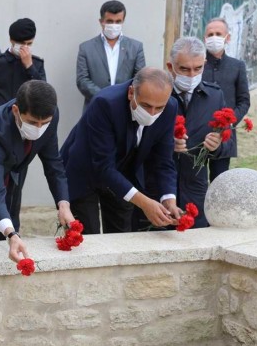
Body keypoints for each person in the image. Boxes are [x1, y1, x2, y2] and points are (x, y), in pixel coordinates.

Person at [0, 81, 71, 261]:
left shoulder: (51, 115)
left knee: (10, 220)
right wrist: (10, 235)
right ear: (16, 110)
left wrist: (63, 205)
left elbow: (53, 164)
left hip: (12, 166)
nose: (39, 129)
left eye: (44, 123)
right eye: (33, 122)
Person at [61, 67, 180, 235]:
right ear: (131, 93)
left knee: (122, 235)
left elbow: (164, 160)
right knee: (87, 237)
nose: (152, 113)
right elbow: (103, 166)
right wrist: (145, 203)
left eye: (159, 108)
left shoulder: (170, 108)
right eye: (146, 105)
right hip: (84, 172)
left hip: (122, 174)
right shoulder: (105, 103)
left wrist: (169, 200)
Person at [167, 37, 226, 228]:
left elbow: (229, 143)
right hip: (160, 190)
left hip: (195, 190)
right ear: (170, 66)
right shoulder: (158, 93)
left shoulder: (214, 96)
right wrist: (169, 144)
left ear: (204, 64)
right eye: (184, 69)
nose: (191, 74)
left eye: (197, 68)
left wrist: (217, 146)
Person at [202, 17, 251, 182]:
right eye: (210, 34)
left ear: (227, 37)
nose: (214, 37)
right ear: (205, 38)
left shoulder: (237, 66)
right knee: (196, 182)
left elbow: (244, 100)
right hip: (198, 134)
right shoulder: (197, 64)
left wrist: (229, 122)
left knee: (219, 182)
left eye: (218, 33)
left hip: (224, 136)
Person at [76, 0, 146, 111]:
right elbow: (82, 80)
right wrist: (104, 97)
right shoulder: (86, 48)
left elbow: (140, 78)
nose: (114, 25)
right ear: (101, 21)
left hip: (125, 109)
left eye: (118, 21)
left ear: (123, 21)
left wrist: (121, 98)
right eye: (110, 21)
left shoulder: (136, 47)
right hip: (96, 108)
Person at [0, 18, 46, 115]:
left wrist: (30, 67)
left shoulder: (37, 64)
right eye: (22, 43)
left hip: (24, 119)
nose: (25, 47)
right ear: (11, 40)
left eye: (29, 43)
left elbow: (43, 94)